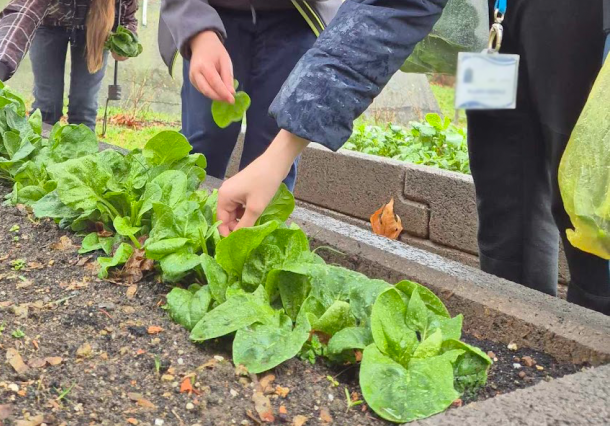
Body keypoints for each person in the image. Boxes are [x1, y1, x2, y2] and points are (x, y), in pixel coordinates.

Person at [216, 0, 610, 316]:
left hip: (588, 16)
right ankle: (527, 343)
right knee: (501, 193)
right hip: (497, 21)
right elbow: (387, 8)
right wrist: (277, 155)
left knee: (589, 212)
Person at [158, 0, 340, 191]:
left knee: (273, 148)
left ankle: (256, 218)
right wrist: (196, 28)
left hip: (299, 16)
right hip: (211, 14)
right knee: (205, 140)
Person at [0, 0, 138, 131]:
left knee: (84, 107)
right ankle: (38, 167)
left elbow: (128, 17)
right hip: (49, 23)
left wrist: (123, 45)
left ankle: (80, 170)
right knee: (47, 105)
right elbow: (20, 16)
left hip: (96, 27)